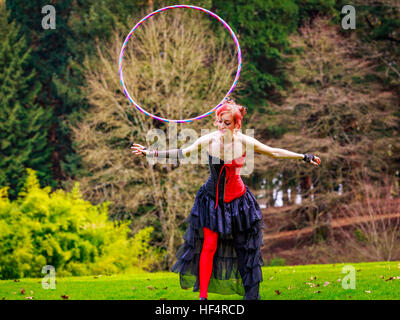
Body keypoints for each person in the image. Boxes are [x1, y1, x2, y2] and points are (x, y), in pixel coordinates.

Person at [131, 98, 321, 300]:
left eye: (227, 123)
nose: (222, 126)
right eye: (219, 121)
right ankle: (202, 297)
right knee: (209, 246)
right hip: (211, 202)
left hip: (239, 203)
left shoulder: (245, 142)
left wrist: (303, 156)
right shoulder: (208, 140)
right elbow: (182, 153)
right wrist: (150, 153)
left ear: (237, 125)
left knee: (245, 249)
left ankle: (251, 297)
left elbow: (273, 152)